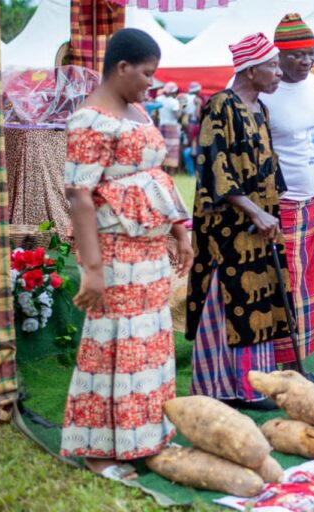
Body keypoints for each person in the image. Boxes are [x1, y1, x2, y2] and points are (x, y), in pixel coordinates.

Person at [60, 28, 193, 480]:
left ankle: (143, 438)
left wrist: (180, 230)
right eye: (147, 74)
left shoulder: (136, 110)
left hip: (151, 255)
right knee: (112, 345)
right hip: (115, 255)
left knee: (149, 346)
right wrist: (92, 270)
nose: (151, 84)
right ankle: (98, 451)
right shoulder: (88, 120)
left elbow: (155, 174)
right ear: (122, 67)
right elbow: (79, 195)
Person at [185, 32, 290, 407]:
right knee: (228, 300)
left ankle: (253, 385)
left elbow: (269, 167)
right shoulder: (220, 106)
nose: (279, 72)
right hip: (226, 228)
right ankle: (220, 388)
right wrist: (254, 211)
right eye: (272, 65)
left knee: (260, 299)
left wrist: (269, 210)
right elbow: (215, 169)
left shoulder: (261, 109)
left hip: (261, 221)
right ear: (249, 70)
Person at [259, 13, 314, 365]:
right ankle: (288, 364)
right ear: (277, 55)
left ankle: (303, 359)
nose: (305, 60)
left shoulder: (313, 84)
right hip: (284, 202)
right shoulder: (267, 91)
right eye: (295, 54)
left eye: (310, 53)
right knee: (290, 286)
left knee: (313, 282)